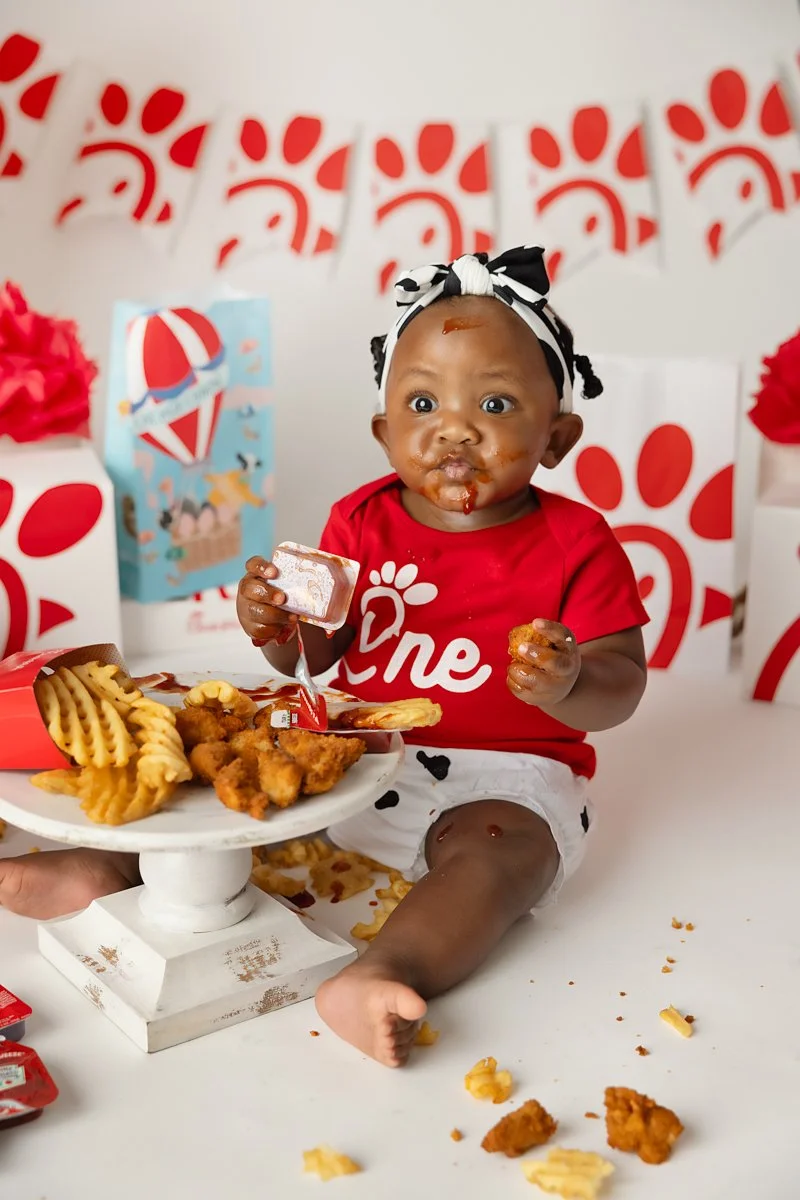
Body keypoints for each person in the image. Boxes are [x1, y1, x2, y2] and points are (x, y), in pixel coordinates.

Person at [236, 246, 649, 1068]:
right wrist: (277, 626)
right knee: (241, 789)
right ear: (386, 430)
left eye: (495, 401)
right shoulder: (357, 521)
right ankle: (109, 872)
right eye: (423, 401)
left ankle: (386, 969)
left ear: (557, 435)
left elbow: (622, 685)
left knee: (504, 854)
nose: (454, 428)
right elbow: (311, 658)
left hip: (506, 775)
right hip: (359, 754)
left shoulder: (578, 542)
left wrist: (569, 682)